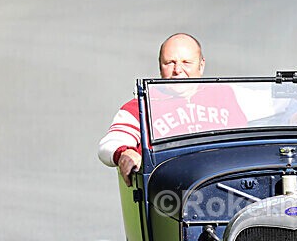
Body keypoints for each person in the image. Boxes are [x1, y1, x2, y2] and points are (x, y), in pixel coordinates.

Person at [98, 33, 246, 186]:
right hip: (168, 194)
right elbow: (109, 145)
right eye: (169, 62)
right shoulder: (140, 106)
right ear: (159, 65)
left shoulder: (227, 95)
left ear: (201, 65)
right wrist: (126, 153)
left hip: (230, 188)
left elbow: (270, 107)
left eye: (186, 62)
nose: (178, 70)